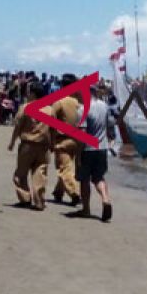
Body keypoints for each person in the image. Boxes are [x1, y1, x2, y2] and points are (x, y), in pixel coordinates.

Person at [8, 82, 53, 210]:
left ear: (33, 93)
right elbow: (53, 130)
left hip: (27, 145)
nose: (27, 94)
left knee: (20, 174)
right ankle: (39, 201)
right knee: (40, 173)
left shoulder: (25, 107)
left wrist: (12, 142)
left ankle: (25, 198)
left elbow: (17, 127)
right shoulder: (49, 109)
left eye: (29, 92)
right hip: (43, 146)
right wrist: (53, 144)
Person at [75, 81, 115, 221]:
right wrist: (111, 139)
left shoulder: (82, 109)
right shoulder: (104, 106)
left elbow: (82, 133)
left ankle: (86, 209)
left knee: (84, 179)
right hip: (102, 147)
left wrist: (78, 154)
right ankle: (105, 199)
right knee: (99, 178)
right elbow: (110, 124)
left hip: (87, 148)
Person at [49, 74, 82, 204]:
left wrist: (50, 140)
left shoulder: (59, 101)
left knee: (64, 169)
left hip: (62, 140)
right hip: (76, 139)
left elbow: (51, 121)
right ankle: (58, 192)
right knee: (67, 166)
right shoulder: (77, 103)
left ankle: (75, 193)